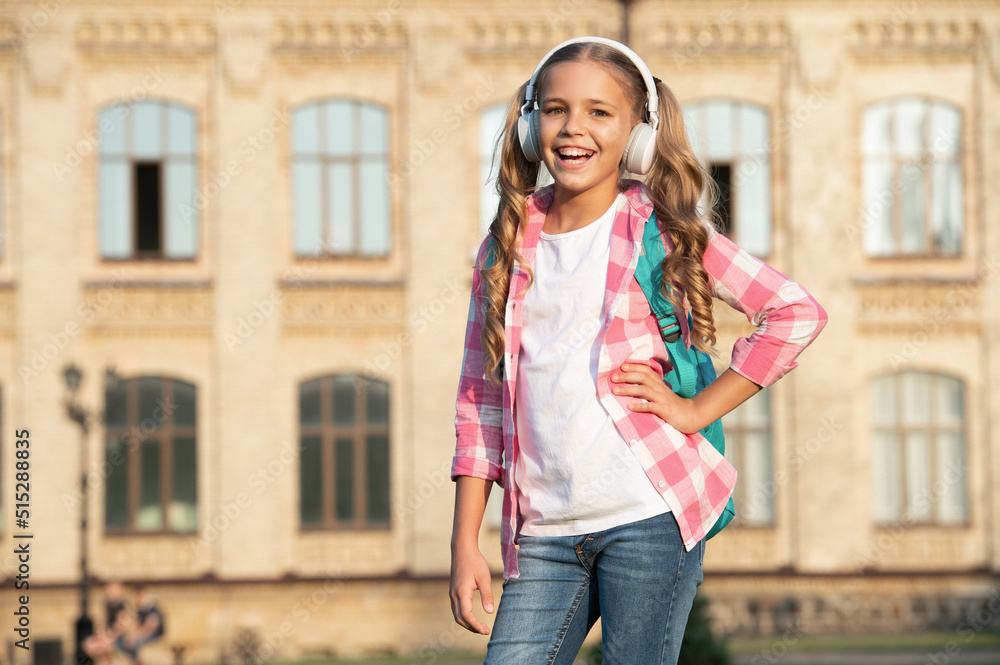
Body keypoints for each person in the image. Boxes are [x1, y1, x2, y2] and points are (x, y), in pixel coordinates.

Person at [448, 36, 828, 664]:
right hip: (541, 533)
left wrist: (695, 411)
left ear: (638, 134)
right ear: (528, 123)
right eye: (554, 108)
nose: (574, 128)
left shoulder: (663, 229)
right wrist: (465, 543)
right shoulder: (504, 247)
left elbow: (793, 312)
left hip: (649, 517)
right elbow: (480, 401)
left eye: (600, 112)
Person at [115, 586, 165, 665]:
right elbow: (135, 626)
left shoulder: (152, 609)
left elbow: (148, 629)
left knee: (135, 645)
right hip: (140, 635)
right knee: (120, 643)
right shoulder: (139, 609)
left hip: (153, 636)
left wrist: (134, 638)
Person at [82, 580, 128, 665]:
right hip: (107, 635)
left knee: (105, 647)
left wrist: (107, 636)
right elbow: (103, 622)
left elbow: (120, 627)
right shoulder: (106, 605)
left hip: (118, 636)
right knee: (87, 645)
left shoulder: (123, 605)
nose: (109, 591)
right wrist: (100, 634)